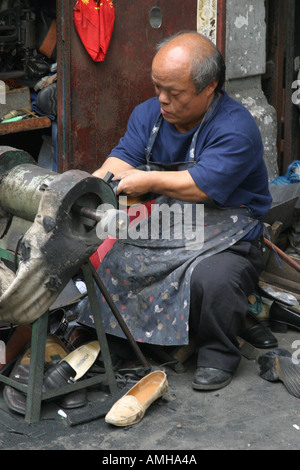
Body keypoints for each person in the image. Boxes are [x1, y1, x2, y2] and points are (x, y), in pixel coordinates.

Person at [92, 31, 272, 391]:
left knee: (213, 280)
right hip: (170, 221)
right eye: (158, 87)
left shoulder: (236, 127)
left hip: (230, 229)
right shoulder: (149, 114)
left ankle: (218, 353)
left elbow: (201, 186)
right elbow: (123, 157)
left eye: (174, 93)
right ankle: (119, 342)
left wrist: (148, 181)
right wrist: (95, 183)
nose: (162, 99)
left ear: (210, 88)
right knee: (118, 260)